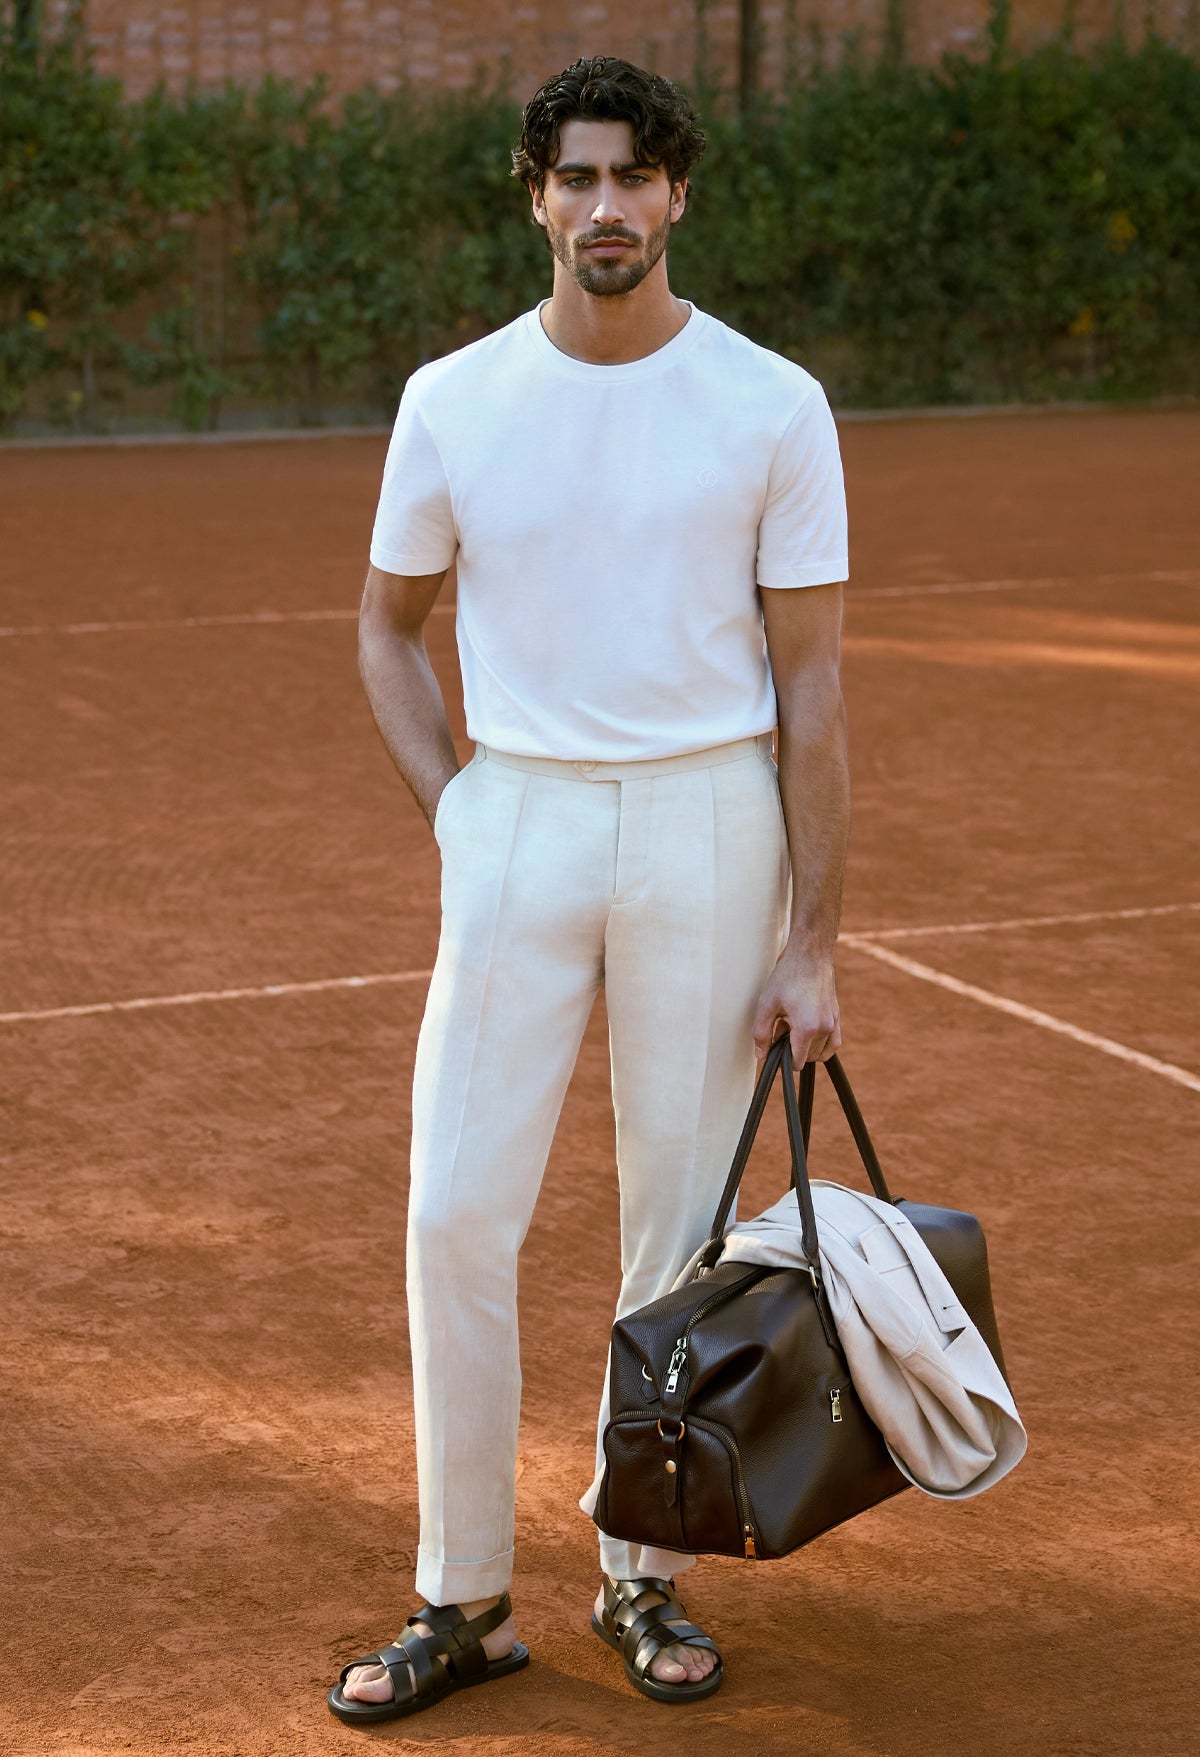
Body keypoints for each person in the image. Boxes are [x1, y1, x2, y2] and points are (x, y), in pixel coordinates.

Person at [327, 54, 849, 1726]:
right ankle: (461, 1595)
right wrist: (461, 809)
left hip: (713, 817)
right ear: (534, 193)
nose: (606, 208)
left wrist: (816, 937)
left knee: (673, 1230)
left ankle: (640, 1570)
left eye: (636, 178)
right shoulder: (451, 398)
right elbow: (385, 627)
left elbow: (817, 687)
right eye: (578, 178)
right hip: (521, 823)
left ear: (677, 194)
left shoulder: (772, 401)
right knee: (452, 1212)